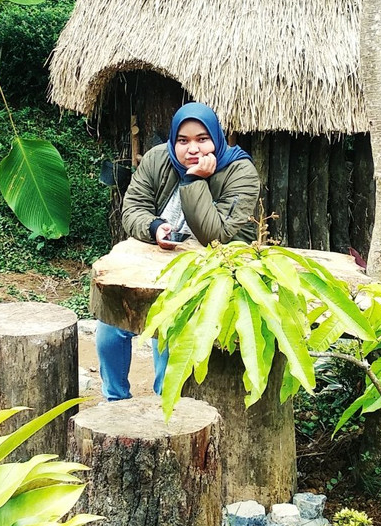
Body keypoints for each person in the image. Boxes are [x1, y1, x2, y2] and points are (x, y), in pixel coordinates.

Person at [96, 101, 261, 401]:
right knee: (111, 328)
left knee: (168, 333)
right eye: (183, 141)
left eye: (202, 139)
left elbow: (214, 235)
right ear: (173, 140)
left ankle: (166, 406)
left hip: (211, 270)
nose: (192, 149)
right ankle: (115, 401)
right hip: (156, 260)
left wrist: (194, 180)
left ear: (216, 138)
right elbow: (132, 208)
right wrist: (154, 227)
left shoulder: (240, 172)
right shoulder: (158, 158)